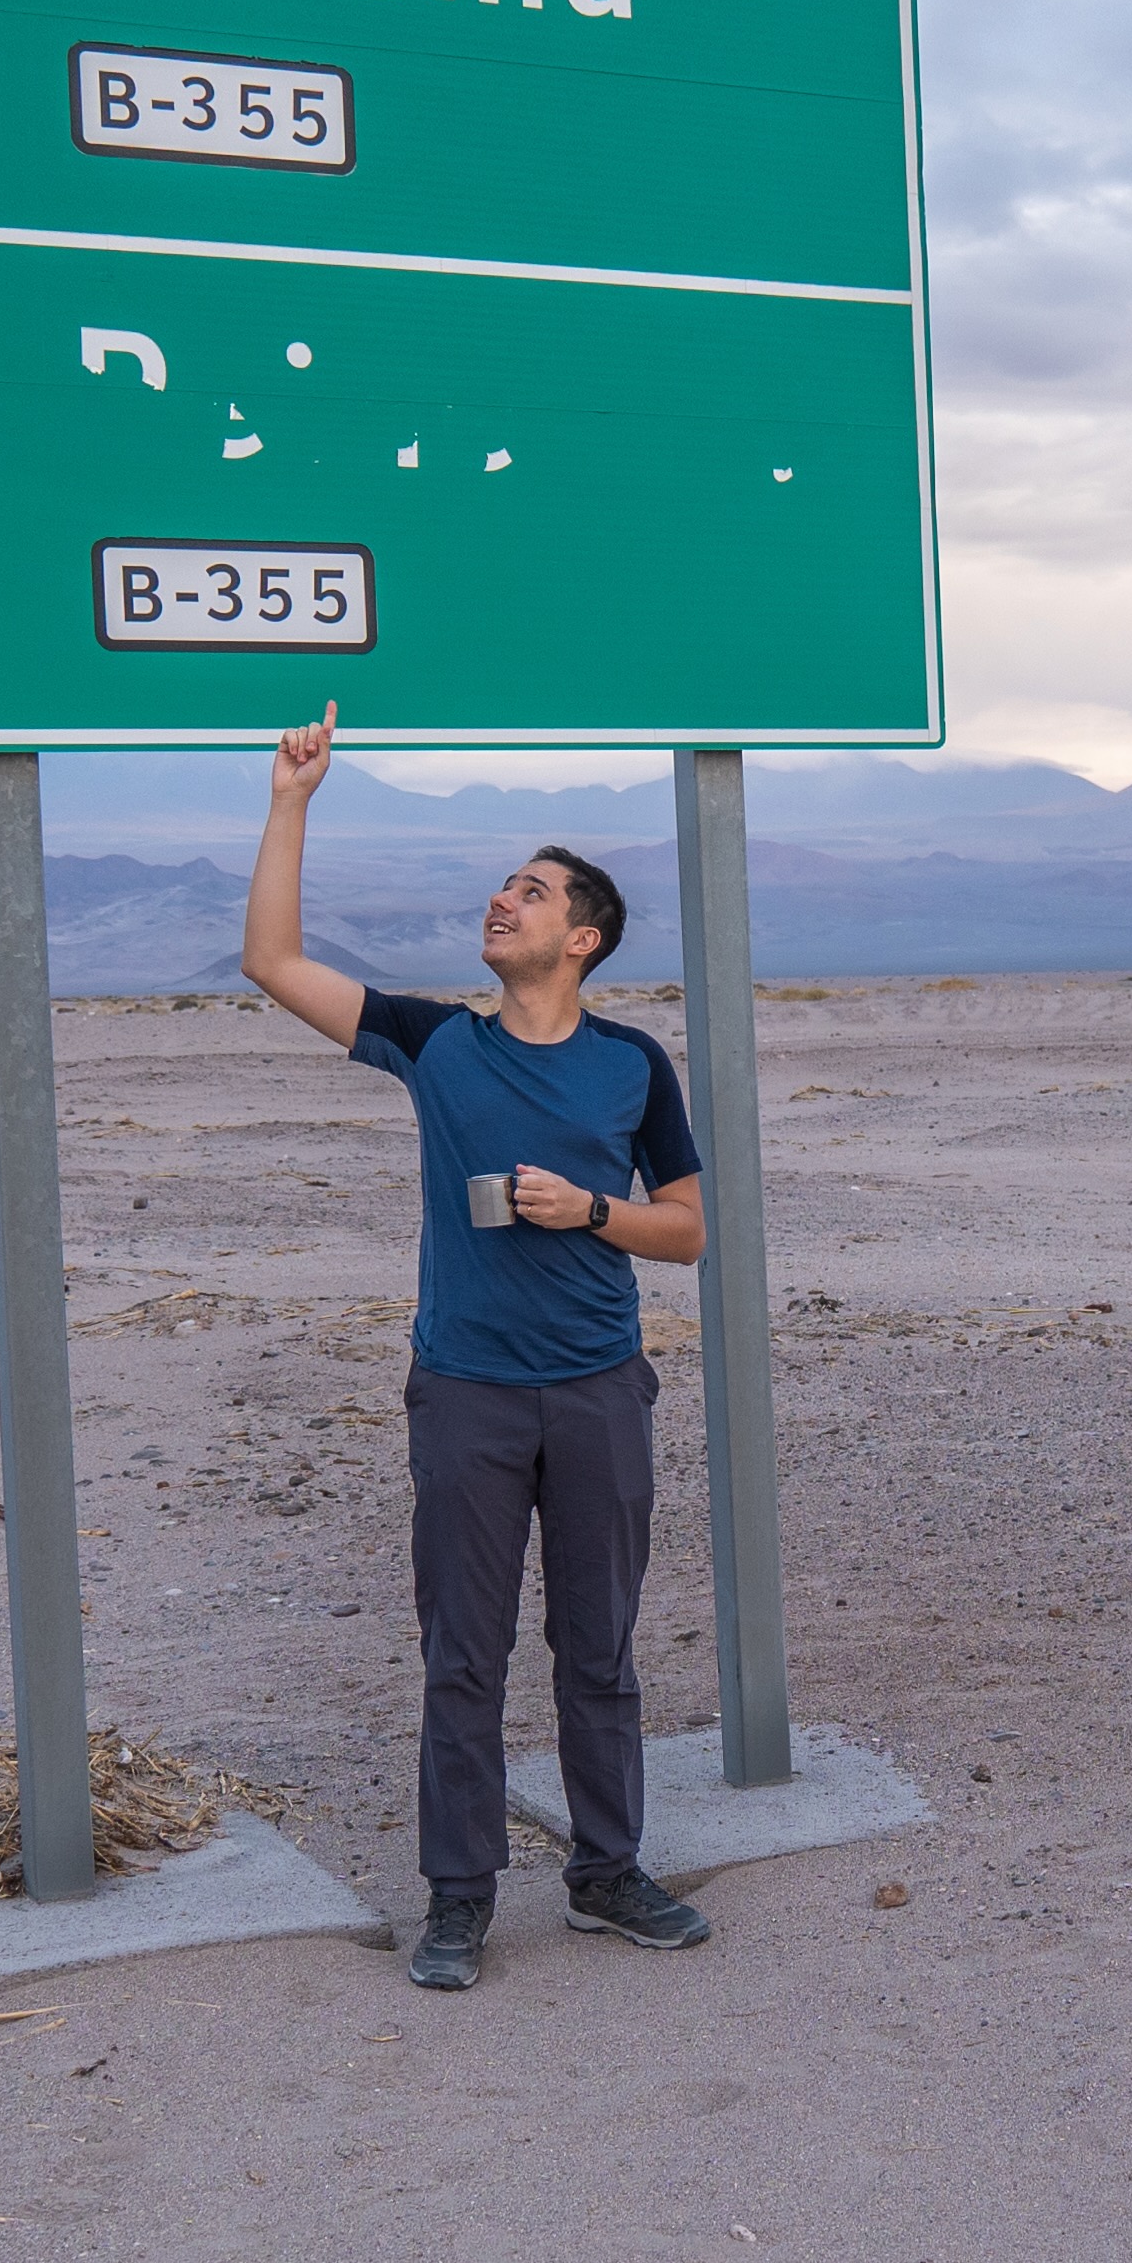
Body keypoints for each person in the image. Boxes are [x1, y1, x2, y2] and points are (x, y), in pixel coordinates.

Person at [239, 704, 717, 1991]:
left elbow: (689, 1232)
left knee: (600, 1646)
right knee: (465, 1651)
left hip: (602, 1391)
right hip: (467, 1394)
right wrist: (294, 798)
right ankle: (458, 1897)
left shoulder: (633, 1066)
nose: (503, 900)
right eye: (503, 884)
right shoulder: (436, 1040)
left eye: (534, 890)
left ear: (585, 937)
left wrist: (592, 1212)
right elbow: (274, 960)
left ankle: (607, 1871)